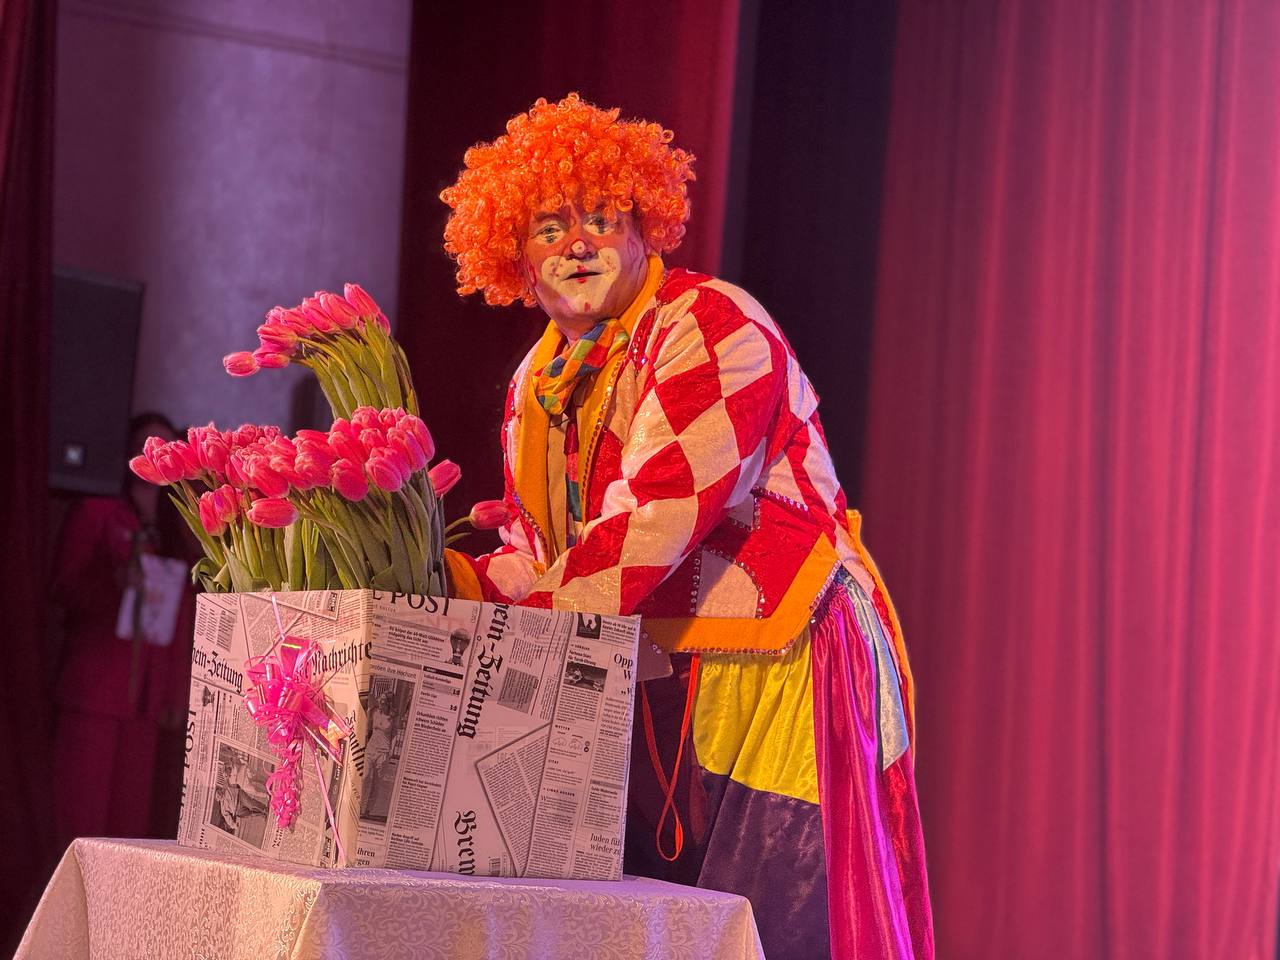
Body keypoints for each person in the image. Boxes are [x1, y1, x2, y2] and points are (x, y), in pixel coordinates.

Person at [440, 94, 933, 960]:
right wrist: (444, 587)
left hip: (783, 668)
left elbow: (652, 524)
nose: (577, 244)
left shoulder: (710, 324)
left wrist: (509, 639)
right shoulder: (535, 382)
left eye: (602, 218)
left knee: (775, 932)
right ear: (514, 255)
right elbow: (538, 547)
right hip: (661, 683)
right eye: (550, 228)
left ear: (644, 226)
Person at [50, 412, 199, 848]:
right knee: (80, 821)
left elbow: (185, 620)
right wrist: (114, 581)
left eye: (165, 449)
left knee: (126, 830)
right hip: (96, 692)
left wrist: (175, 697)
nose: (154, 456)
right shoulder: (98, 512)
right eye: (146, 446)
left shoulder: (178, 531)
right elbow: (62, 588)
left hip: (147, 704)